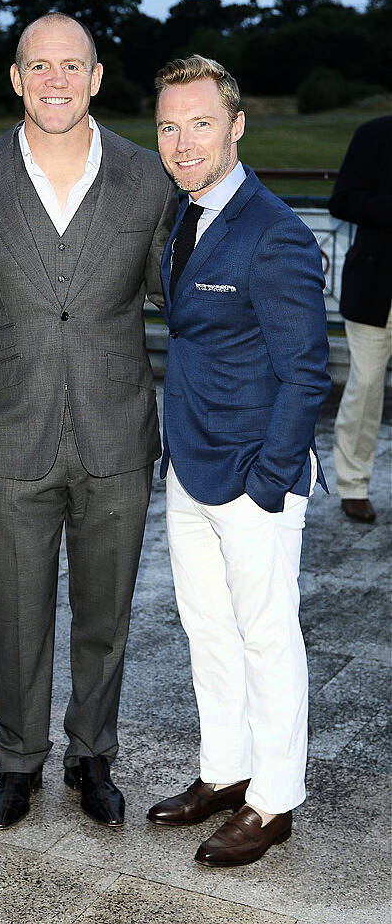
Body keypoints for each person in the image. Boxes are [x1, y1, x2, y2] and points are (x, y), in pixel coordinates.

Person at [0, 13, 177, 830]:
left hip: (117, 432)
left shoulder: (151, 179)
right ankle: (18, 759)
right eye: (38, 66)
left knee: (107, 614)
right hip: (11, 435)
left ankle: (90, 754)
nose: (54, 81)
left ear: (97, 78)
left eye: (70, 66)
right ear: (15, 78)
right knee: (16, 611)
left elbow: (182, 291)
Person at [145, 56, 330, 867]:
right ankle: (225, 771)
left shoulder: (276, 232)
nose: (183, 142)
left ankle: (275, 797)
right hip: (189, 463)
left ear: (237, 126)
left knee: (265, 634)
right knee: (206, 628)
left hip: (255, 473)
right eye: (169, 126)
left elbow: (307, 371)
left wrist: (268, 480)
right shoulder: (184, 216)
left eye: (201, 123)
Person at [329, 115, 392, 524]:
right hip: (375, 287)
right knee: (366, 386)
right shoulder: (372, 134)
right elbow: (342, 200)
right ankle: (353, 485)